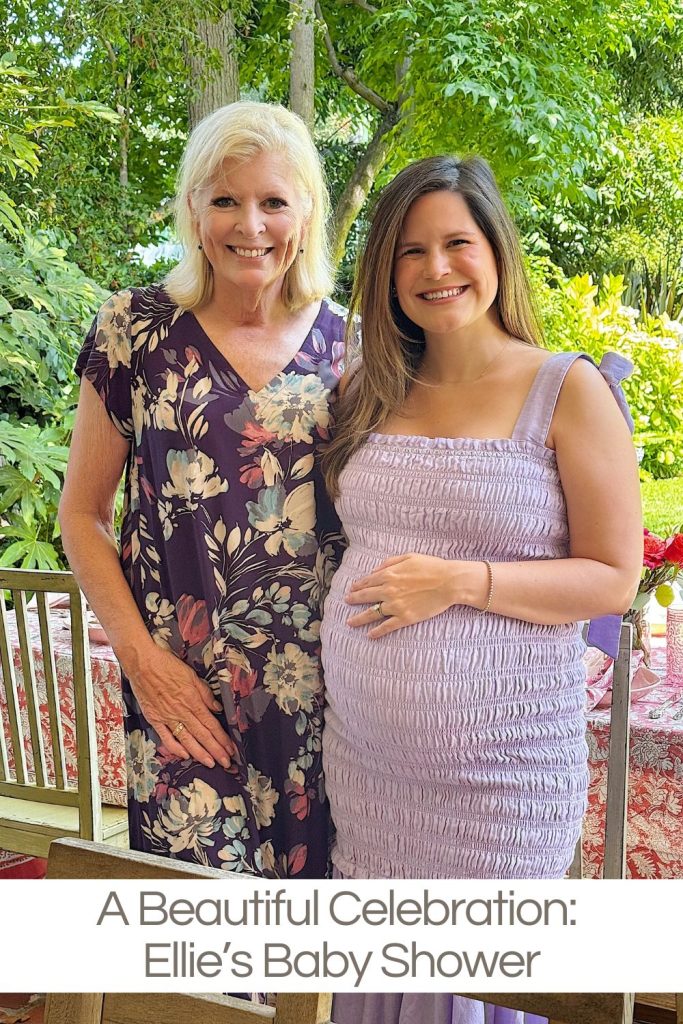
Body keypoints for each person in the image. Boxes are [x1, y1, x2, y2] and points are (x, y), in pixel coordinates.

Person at [321, 154, 642, 1022]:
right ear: (384, 270)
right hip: (368, 774)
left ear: (495, 251)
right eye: (410, 251)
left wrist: (460, 582)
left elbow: (614, 576)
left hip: (498, 783)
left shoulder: (564, 388)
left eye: (456, 243)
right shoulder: (367, 389)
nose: (436, 269)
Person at [58, 101, 346, 877]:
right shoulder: (135, 330)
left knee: (310, 950)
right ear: (192, 209)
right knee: (200, 950)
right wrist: (142, 663)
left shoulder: (351, 350)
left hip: (325, 701)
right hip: (179, 696)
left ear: (307, 211)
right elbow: (80, 517)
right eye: (225, 200)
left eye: (272, 201)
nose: (249, 224)